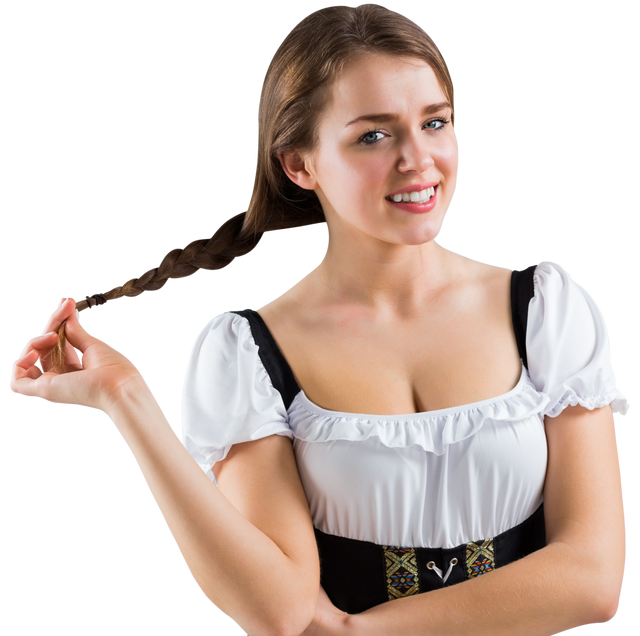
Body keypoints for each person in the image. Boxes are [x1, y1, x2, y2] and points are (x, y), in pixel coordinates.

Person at [8, 3, 630, 635]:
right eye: (373, 135)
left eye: (435, 122)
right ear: (299, 164)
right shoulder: (251, 352)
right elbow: (276, 610)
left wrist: (356, 632)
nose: (419, 159)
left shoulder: (545, 309)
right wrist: (128, 400)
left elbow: (594, 579)